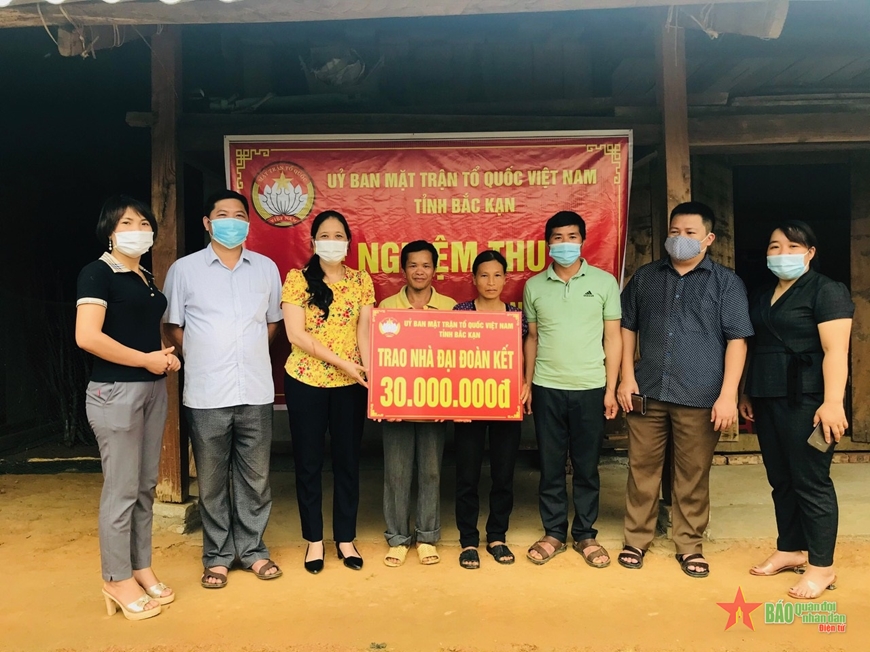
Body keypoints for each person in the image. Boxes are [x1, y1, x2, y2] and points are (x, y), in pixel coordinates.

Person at [616, 201, 753, 578]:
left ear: (708, 239)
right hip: (647, 390)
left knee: (692, 472)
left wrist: (728, 395)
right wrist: (626, 377)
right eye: (675, 232)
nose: (680, 238)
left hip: (701, 394)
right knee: (642, 468)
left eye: (690, 233)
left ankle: (689, 544)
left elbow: (738, 340)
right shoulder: (646, 277)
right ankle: (636, 539)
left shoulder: (726, 282)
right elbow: (626, 327)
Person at [163, 189, 284, 589]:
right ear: (207, 222)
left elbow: (272, 322)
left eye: (239, 215)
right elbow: (172, 325)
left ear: (248, 223)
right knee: (212, 481)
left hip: (255, 389)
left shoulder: (266, 268)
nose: (232, 221)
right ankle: (217, 557)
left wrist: (245, 351)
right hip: (207, 392)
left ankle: (252, 551)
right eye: (222, 214)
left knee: (256, 479)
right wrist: (204, 354)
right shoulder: (184, 270)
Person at [76, 195, 181, 620]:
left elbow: (139, 330)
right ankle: (115, 578)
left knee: (145, 485)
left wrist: (163, 355)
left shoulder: (144, 275)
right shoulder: (97, 273)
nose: (138, 230)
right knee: (121, 488)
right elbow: (88, 336)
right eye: (126, 223)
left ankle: (140, 567)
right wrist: (145, 360)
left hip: (151, 388)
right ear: (109, 231)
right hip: (115, 391)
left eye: (143, 223)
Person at [739, 221, 852, 599]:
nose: (782, 253)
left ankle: (822, 566)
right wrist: (748, 392)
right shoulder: (762, 293)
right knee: (781, 478)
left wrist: (832, 402)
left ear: (810, 252)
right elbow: (756, 346)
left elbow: (836, 351)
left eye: (792, 246)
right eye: (775, 247)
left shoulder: (826, 290)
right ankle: (790, 548)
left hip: (809, 400)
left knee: (811, 481)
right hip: (767, 395)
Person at [523, 211, 622, 567]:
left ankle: (584, 534)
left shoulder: (605, 282)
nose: (565, 244)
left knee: (586, 466)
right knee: (550, 465)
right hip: (546, 386)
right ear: (548, 243)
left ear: (583, 240)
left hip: (591, 387)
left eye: (571, 237)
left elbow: (613, 338)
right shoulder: (534, 286)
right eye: (558, 238)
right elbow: (532, 338)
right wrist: (527, 383)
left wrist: (611, 389)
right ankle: (553, 533)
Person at [281, 210, 373, 574]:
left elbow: (364, 332)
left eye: (338, 236)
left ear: (348, 242)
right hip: (305, 381)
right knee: (309, 463)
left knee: (348, 461)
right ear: (313, 241)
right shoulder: (297, 279)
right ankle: (314, 540)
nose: (332, 242)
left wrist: (369, 372)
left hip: (351, 385)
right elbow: (296, 335)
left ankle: (345, 538)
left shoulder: (361, 280)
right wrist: (343, 362)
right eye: (325, 235)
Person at [379, 240, 457, 567]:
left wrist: (448, 404)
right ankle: (398, 538)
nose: (420, 271)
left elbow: (457, 359)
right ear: (403, 269)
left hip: (435, 407)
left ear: (435, 270)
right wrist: (384, 403)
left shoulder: (451, 308)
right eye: (413, 265)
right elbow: (380, 359)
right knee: (396, 473)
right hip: (396, 405)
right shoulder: (386, 306)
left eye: (426, 265)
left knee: (431, 472)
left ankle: (427, 537)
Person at [452, 250, 528, 569]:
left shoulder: (516, 316)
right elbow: (449, 357)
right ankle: (468, 540)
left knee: (503, 473)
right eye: (484, 275)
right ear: (474, 279)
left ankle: (497, 536)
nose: (491, 282)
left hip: (505, 402)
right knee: (467, 475)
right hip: (468, 403)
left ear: (506, 279)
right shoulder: (461, 312)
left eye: (497, 275)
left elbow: (523, 355)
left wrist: (525, 383)